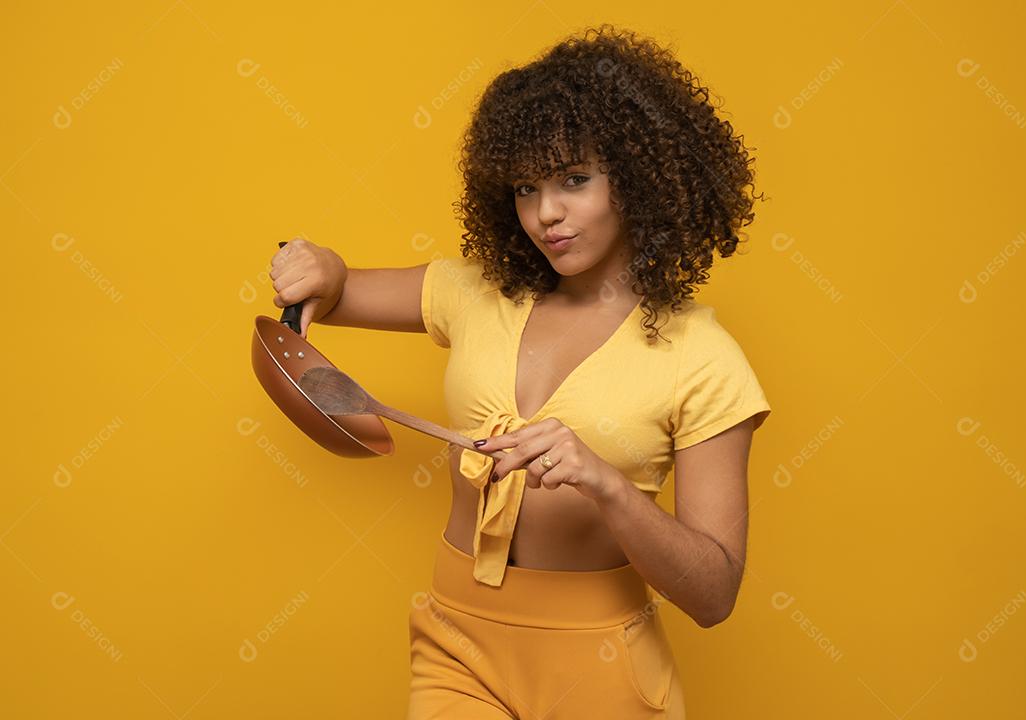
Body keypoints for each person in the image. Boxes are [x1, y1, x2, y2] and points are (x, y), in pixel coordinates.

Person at [268, 23, 771, 719]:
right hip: (456, 645)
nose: (546, 214)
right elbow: (337, 287)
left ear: (639, 175)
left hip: (602, 667)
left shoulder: (704, 359)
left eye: (575, 180)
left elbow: (714, 593)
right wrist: (318, 267)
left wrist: (606, 485)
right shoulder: (476, 293)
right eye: (526, 187)